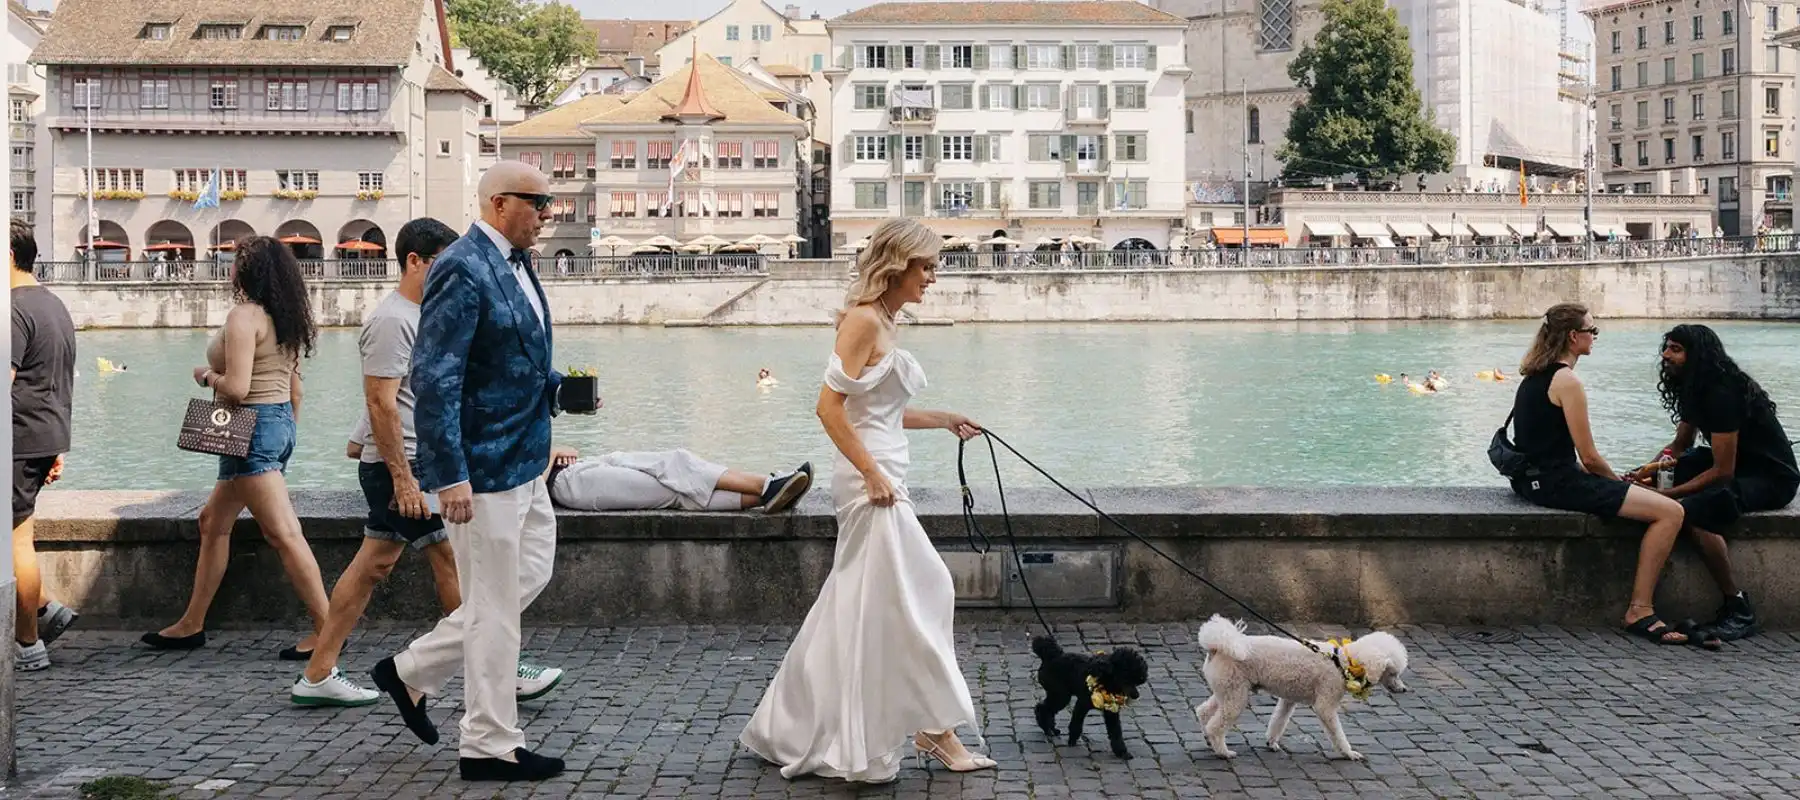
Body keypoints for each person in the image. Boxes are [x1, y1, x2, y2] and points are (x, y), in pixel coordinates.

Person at [740, 217, 994, 784]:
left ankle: (800, 720)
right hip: (869, 483)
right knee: (924, 588)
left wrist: (944, 418)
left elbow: (877, 411)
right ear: (897, 265)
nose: (933, 276)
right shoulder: (861, 321)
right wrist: (872, 472)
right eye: (926, 266)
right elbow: (829, 409)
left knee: (863, 604)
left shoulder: (883, 320)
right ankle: (935, 729)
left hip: (883, 472)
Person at [292, 218, 567, 705]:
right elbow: (379, 400)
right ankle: (495, 665)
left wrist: (362, 445)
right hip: (410, 469)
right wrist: (402, 480)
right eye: (441, 262)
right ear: (413, 261)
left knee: (374, 567)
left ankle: (318, 673)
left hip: (410, 463)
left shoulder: (426, 313)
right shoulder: (393, 319)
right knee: (457, 567)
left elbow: (395, 397)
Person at [369, 161, 582, 783]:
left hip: (524, 459)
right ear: (498, 204)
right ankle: (489, 743)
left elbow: (513, 356)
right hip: (482, 471)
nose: (549, 213)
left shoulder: (519, 262)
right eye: (539, 202)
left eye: (551, 202)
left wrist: (560, 389)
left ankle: (411, 671)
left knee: (528, 576)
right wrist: (448, 474)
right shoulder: (462, 265)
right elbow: (435, 378)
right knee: (492, 608)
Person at [143, 236, 331, 657]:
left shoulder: (244, 317)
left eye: (232, 263)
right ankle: (191, 623)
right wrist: (286, 436)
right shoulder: (285, 316)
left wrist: (205, 376)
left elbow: (238, 389)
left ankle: (328, 630)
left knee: (284, 534)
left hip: (250, 429)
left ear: (246, 272)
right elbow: (295, 389)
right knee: (213, 521)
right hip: (269, 424)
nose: (228, 268)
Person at [1504, 303, 1689, 645]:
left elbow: (1550, 448)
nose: (1595, 336)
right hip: (1558, 484)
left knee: (1652, 503)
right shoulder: (1567, 381)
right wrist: (1617, 482)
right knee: (1671, 512)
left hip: (1533, 481)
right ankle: (1640, 609)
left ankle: (1641, 608)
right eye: (1593, 330)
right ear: (1574, 337)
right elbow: (1588, 458)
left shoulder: (1534, 375)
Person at [1624, 324, 1799, 645]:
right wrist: (1644, 472)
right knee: (1685, 465)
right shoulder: (1694, 386)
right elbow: (1678, 448)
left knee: (1695, 512)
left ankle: (1738, 605)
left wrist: (1667, 496)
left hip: (1770, 477)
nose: (1665, 355)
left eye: (1675, 349)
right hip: (1741, 465)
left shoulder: (1722, 393)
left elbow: (1722, 472)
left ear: (1697, 356)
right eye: (1667, 347)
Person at [11, 217, 79, 671]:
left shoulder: (12, 310)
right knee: (20, 536)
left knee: (14, 542)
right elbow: (58, 379)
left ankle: (27, 644)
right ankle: (44, 608)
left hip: (15, 436)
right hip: (44, 432)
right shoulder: (55, 305)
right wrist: (56, 446)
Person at [546, 444, 811, 513]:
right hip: (567, 483)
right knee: (672, 486)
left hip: (579, 470)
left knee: (673, 466)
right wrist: (555, 451)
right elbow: (531, 476)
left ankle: (768, 493)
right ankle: (766, 487)